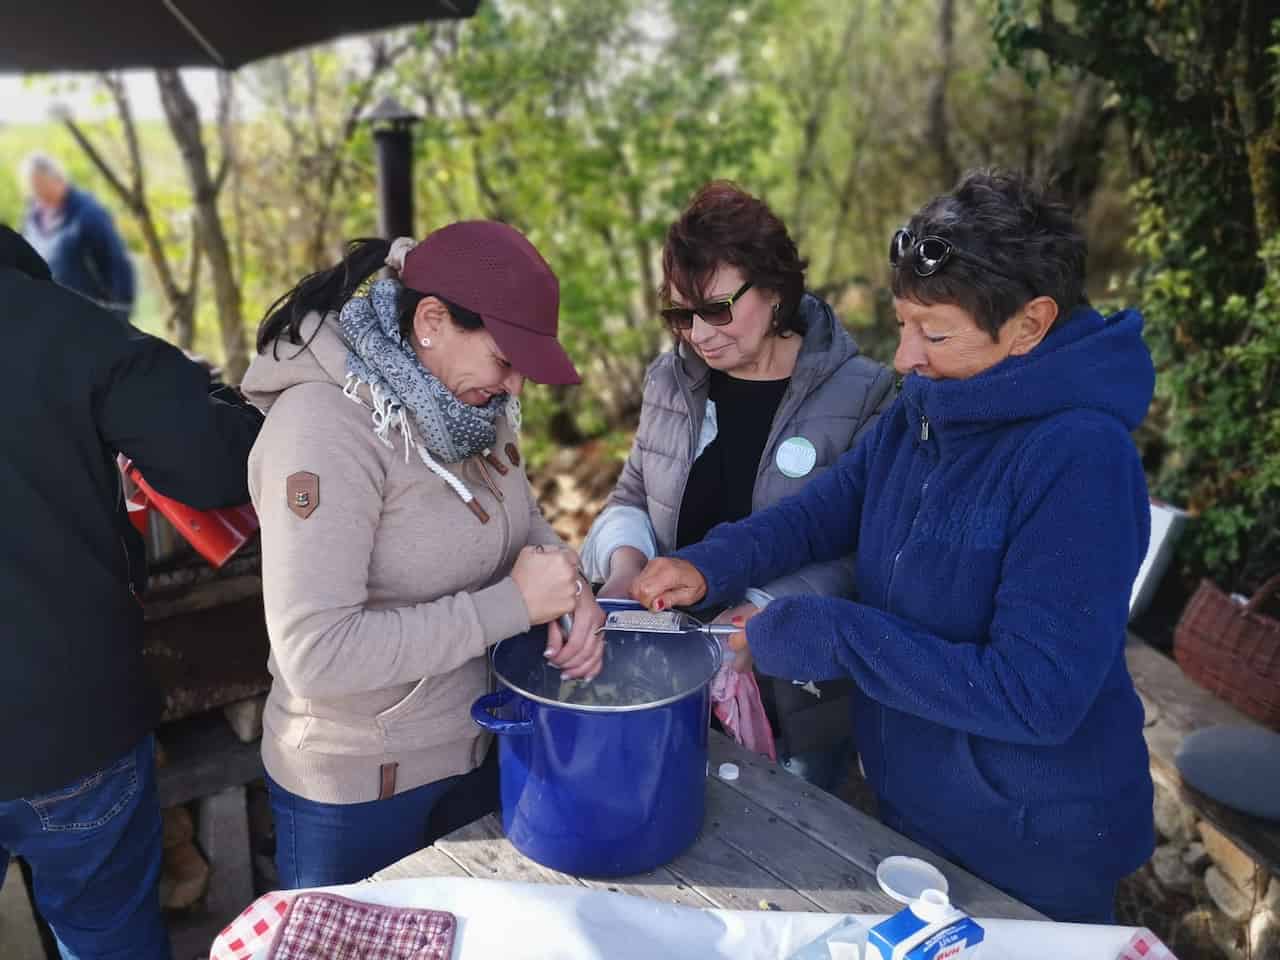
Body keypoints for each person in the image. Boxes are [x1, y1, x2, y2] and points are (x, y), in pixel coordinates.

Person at [631, 169, 1157, 922]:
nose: (905, 355)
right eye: (903, 324)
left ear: (1030, 324)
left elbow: (1036, 695)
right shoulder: (929, 405)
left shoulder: (1081, 461)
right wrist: (708, 563)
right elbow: (825, 512)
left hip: (1033, 841)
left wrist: (832, 635)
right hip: (914, 806)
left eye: (933, 333)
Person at [243, 222, 606, 888]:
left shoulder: (472, 405)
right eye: (505, 360)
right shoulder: (322, 430)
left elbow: (521, 520)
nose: (516, 388)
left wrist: (568, 586)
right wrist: (513, 606)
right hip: (359, 795)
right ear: (432, 322)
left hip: (477, 750)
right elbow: (316, 655)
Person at [0, 225, 263, 959]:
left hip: (67, 726)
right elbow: (215, 463)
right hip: (70, 729)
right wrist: (219, 399)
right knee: (109, 940)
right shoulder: (63, 327)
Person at [581, 181, 895, 790]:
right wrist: (625, 568)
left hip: (797, 698)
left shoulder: (865, 394)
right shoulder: (670, 381)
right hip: (665, 670)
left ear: (774, 289)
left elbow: (865, 551)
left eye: (717, 309)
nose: (699, 334)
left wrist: (767, 613)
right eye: (681, 315)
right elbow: (634, 494)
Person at [20, 153, 136, 319]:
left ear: (58, 179)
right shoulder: (31, 218)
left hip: (89, 317)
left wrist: (120, 314)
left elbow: (117, 263)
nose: (37, 195)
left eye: (40, 187)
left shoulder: (89, 214)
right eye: (32, 189)